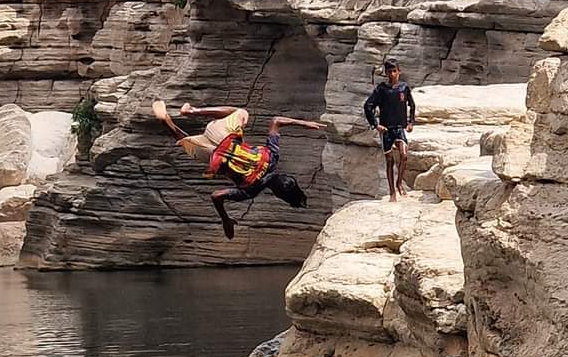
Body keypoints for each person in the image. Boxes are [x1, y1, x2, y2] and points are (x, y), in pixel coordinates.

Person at [153, 101, 324, 240]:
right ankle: (166, 122)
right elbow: (216, 196)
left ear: (283, 175)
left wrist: (303, 123)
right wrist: (225, 220)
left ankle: (191, 111)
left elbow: (276, 120)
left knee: (241, 112)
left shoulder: (272, 157)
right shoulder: (251, 191)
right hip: (213, 157)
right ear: (277, 194)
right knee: (186, 142)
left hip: (223, 134)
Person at [364, 59, 415, 203]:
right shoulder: (381, 89)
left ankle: (399, 182)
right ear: (386, 73)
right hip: (386, 129)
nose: (392, 74)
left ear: (399, 72)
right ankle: (392, 192)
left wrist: (411, 122)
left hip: (399, 127)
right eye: (389, 72)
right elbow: (368, 106)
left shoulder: (404, 88)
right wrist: (375, 124)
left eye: (394, 71)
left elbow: (412, 105)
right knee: (389, 160)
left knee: (404, 155)